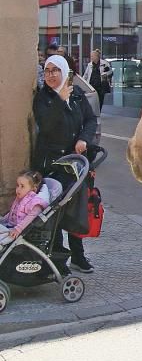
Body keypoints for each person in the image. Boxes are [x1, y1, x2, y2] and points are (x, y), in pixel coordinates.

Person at [32, 55, 98, 274]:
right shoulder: (44, 98)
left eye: (55, 70)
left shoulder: (77, 94)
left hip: (77, 164)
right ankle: (59, 260)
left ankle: (78, 256)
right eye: (47, 70)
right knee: (56, 212)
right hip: (53, 163)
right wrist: (60, 100)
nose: (50, 75)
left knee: (77, 210)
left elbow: (90, 120)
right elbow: (47, 126)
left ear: (64, 71)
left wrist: (84, 140)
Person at [0, 170, 47, 246]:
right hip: (10, 226)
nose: (18, 189)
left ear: (33, 189)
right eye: (17, 185)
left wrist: (18, 229)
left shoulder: (35, 203)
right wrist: (4, 220)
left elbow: (30, 217)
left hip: (18, 232)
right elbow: (13, 212)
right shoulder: (21, 197)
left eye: (22, 186)